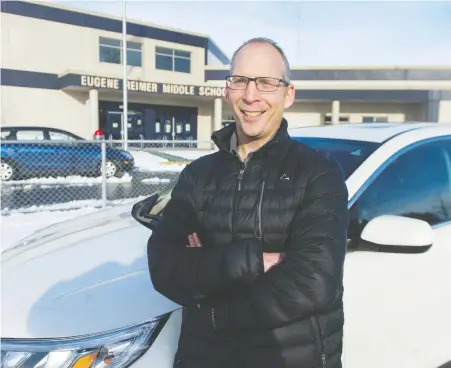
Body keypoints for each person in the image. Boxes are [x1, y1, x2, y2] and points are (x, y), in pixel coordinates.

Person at [147, 37, 349, 368]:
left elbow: (312, 282)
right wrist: (257, 260)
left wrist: (211, 303)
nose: (250, 95)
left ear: (288, 94)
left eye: (267, 83)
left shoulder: (318, 173)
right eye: (240, 81)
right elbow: (165, 267)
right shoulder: (198, 175)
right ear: (227, 90)